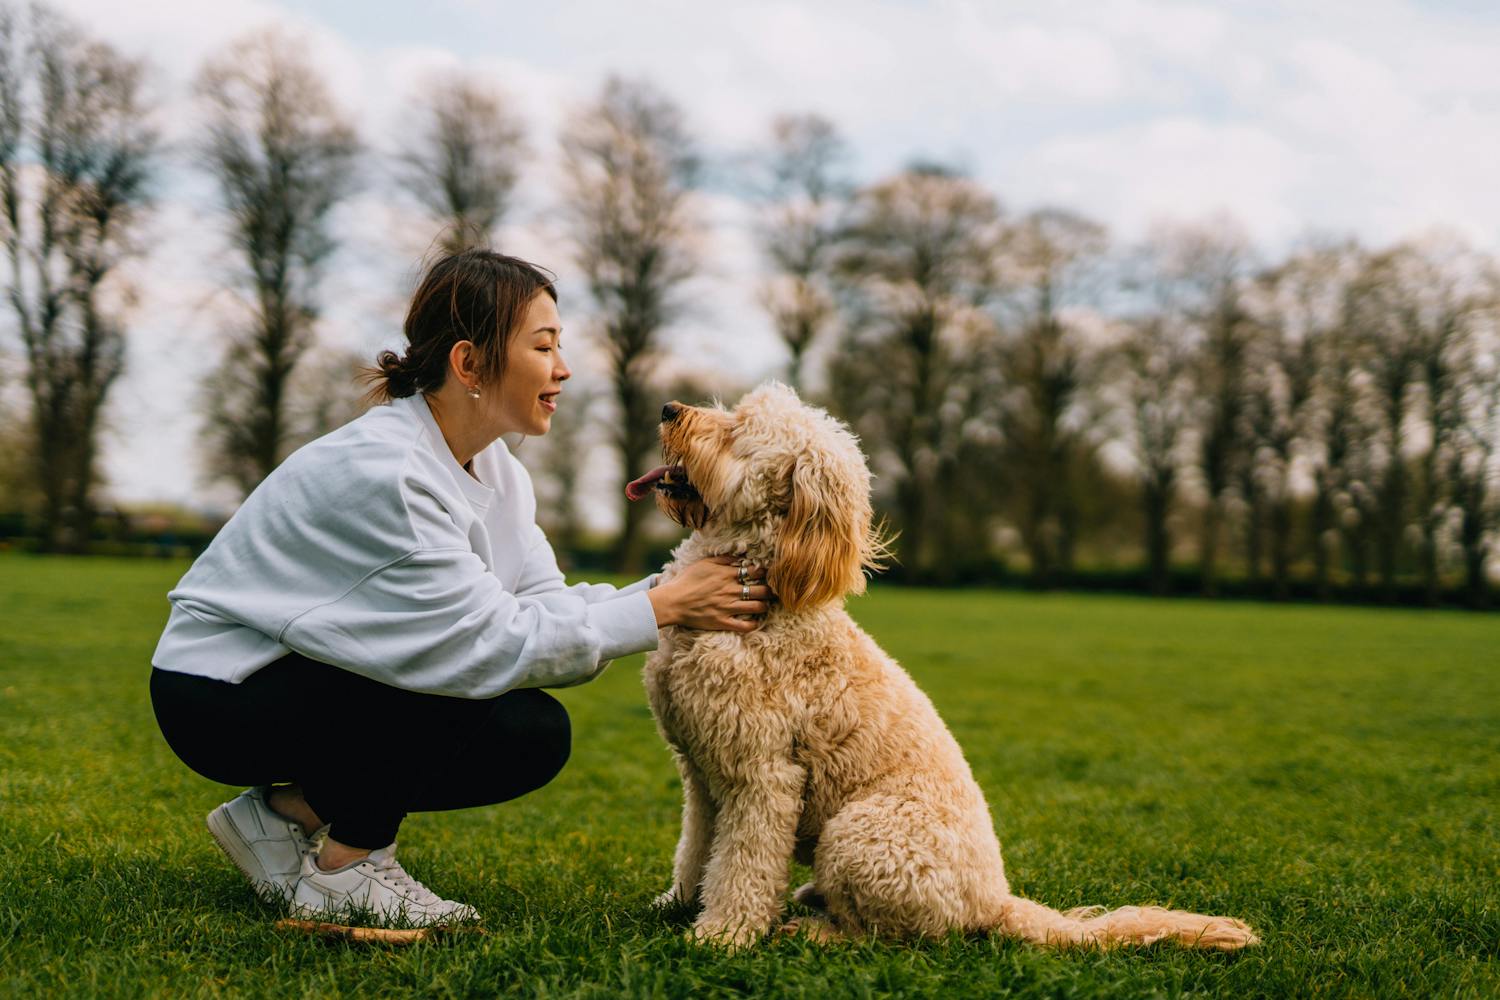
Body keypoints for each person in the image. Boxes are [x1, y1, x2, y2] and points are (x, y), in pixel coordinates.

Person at [149, 250, 772, 927]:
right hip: (219, 694)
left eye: (560, 345)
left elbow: (538, 606)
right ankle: (349, 866)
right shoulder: (393, 473)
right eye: (543, 345)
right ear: (469, 364)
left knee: (530, 732)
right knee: (470, 674)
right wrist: (664, 605)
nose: (562, 368)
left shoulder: (498, 470)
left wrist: (667, 589)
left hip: (306, 674)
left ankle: (284, 817)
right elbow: (483, 644)